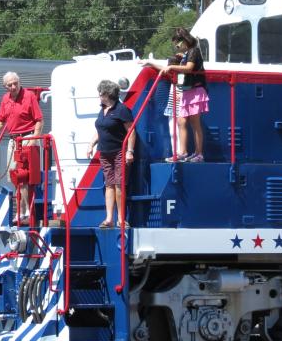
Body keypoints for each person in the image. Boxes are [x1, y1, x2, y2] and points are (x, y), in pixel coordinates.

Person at [0, 72, 43, 224]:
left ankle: (27, 212)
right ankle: (21, 212)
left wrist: (33, 140)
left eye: (16, 83)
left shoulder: (29, 96)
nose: (14, 86)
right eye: (10, 85)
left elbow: (39, 120)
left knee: (25, 177)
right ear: (5, 87)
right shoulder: (5, 99)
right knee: (16, 178)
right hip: (14, 140)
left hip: (28, 137)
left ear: (19, 82)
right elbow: (1, 121)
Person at [143, 27, 209, 162]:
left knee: (195, 123)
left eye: (177, 44)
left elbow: (189, 68)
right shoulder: (185, 55)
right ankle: (183, 152)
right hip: (187, 90)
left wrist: (173, 67)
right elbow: (171, 69)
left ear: (184, 40)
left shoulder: (193, 51)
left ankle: (199, 154)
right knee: (181, 121)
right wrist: (153, 63)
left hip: (195, 90)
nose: (177, 47)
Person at [87, 80, 135, 229]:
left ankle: (121, 219)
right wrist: (91, 144)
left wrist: (129, 151)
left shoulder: (121, 110)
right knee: (109, 185)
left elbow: (131, 131)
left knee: (119, 185)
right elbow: (100, 130)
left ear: (107, 94)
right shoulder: (103, 110)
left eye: (100, 94)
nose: (99, 96)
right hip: (105, 153)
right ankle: (109, 218)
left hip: (119, 152)